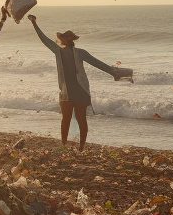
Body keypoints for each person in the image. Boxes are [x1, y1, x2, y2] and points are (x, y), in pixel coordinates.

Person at [29, 14, 130, 151]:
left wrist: (113, 72)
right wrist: (34, 23)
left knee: (76, 120)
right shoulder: (59, 51)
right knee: (70, 120)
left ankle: (77, 146)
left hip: (78, 91)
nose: (67, 41)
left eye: (68, 38)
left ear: (67, 40)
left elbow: (96, 63)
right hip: (67, 92)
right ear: (64, 40)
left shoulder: (77, 52)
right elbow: (44, 40)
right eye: (66, 38)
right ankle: (69, 145)